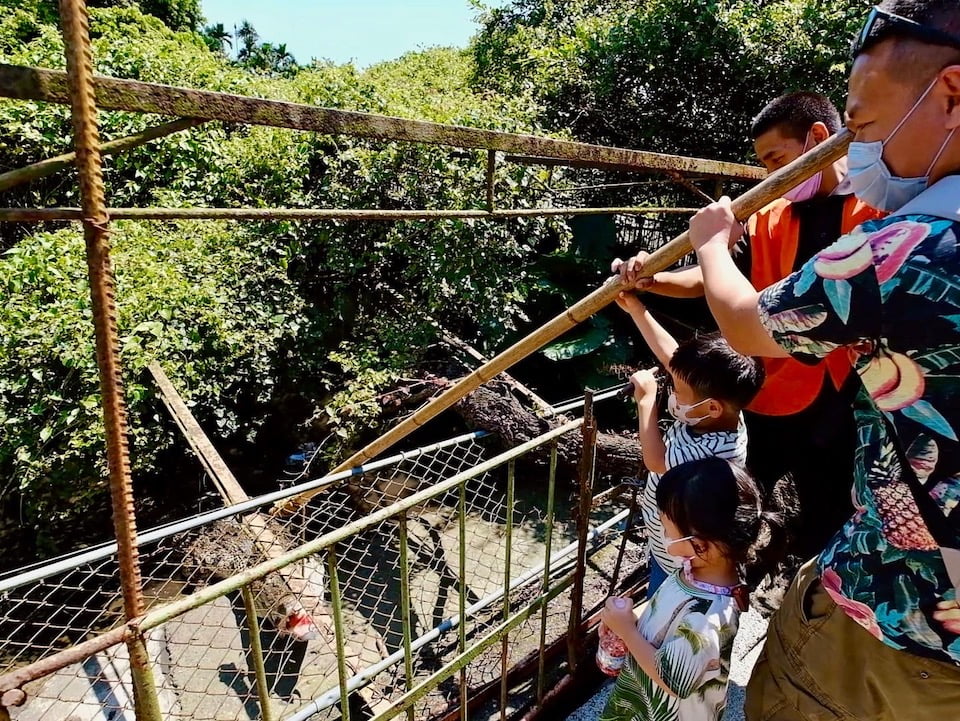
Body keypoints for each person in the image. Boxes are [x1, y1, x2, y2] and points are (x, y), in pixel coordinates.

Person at [684, 2, 960, 718]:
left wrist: (710, 240)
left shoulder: (902, 244)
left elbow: (744, 317)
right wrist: (649, 284)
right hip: (784, 397)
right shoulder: (795, 216)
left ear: (951, 94)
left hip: (903, 611)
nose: (860, 145)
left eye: (861, 125)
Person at [615, 93, 886, 560]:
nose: (770, 175)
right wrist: (654, 281)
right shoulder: (768, 213)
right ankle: (717, 581)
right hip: (766, 387)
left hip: (845, 395)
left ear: (818, 138)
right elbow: (712, 276)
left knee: (828, 507)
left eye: (776, 159)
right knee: (731, 501)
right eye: (764, 164)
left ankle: (811, 584)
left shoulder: (877, 205)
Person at [599, 457, 784, 721]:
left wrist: (627, 632)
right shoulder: (696, 570)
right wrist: (630, 619)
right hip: (644, 694)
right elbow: (668, 606)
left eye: (668, 531)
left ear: (700, 544)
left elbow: (671, 680)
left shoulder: (706, 621)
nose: (664, 537)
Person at [615, 291, 765, 597]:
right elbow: (673, 360)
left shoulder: (705, 455)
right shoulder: (726, 415)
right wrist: (637, 309)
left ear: (712, 407)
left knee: (664, 597)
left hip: (676, 554)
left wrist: (646, 402)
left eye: (678, 392)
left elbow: (656, 461)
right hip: (669, 536)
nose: (673, 394)